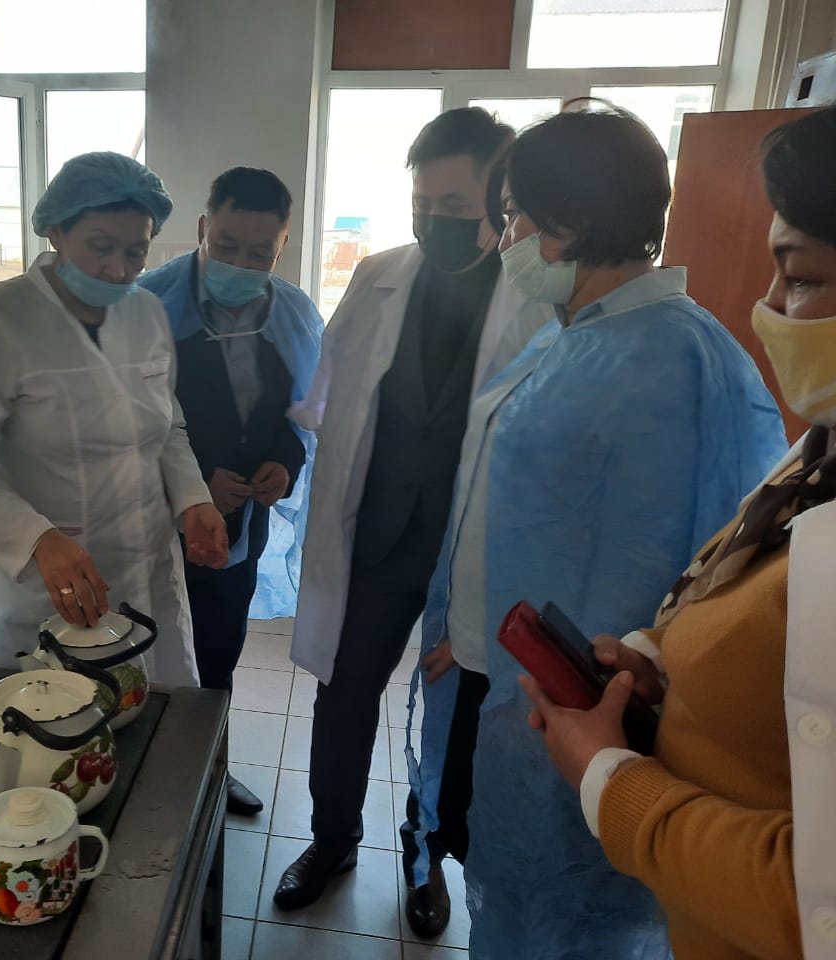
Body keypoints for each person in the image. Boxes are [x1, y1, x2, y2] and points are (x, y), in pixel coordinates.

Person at [411, 102, 786, 959]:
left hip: (586, 700)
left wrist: (583, 688)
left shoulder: (674, 357)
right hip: (505, 671)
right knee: (499, 868)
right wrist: (464, 632)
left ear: (571, 221)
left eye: (515, 215)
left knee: (570, 907)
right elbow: (514, 513)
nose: (505, 237)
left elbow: (677, 569)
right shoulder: (573, 335)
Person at [522, 104, 836, 960]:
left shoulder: (673, 356)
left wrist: (611, 780)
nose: (768, 305)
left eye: (802, 276)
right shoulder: (820, 453)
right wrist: (659, 663)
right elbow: (734, 583)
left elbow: (813, 903)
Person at [274, 108, 548, 914]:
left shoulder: (537, 295)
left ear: (500, 201)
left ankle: (426, 858)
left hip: (475, 551)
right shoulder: (379, 276)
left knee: (455, 713)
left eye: (455, 206)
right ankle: (332, 838)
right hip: (380, 540)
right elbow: (331, 396)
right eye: (422, 204)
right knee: (345, 692)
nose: (434, 221)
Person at [0, 151, 229, 684]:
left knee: (152, 708)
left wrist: (192, 498)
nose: (120, 269)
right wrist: (37, 539)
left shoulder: (146, 313)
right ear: (57, 232)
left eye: (136, 251)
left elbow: (167, 425)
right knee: (52, 716)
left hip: (145, 569)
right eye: (100, 247)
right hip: (43, 581)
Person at [138, 167, 322, 816]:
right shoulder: (148, 307)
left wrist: (284, 462)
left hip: (241, 521)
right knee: (153, 651)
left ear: (283, 246)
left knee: (219, 649)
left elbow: (301, 411)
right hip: (155, 522)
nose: (241, 265)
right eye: (226, 246)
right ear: (201, 228)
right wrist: (195, 481)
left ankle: (211, 772)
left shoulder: (291, 314)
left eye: (259, 253)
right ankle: (148, 782)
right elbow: (128, 423)